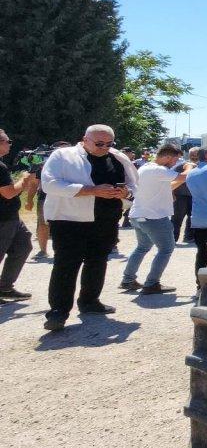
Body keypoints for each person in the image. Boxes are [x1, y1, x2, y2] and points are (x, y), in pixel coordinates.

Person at [39, 125, 138, 332]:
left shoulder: (118, 158)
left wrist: (125, 193)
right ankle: (58, 311)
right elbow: (50, 184)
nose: (104, 147)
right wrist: (91, 191)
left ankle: (90, 301)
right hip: (69, 221)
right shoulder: (62, 156)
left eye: (109, 144)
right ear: (85, 139)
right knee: (66, 265)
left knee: (98, 261)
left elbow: (133, 186)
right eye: (99, 143)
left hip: (106, 220)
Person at [120, 144, 188, 295]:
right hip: (154, 217)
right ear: (168, 157)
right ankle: (152, 283)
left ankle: (128, 279)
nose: (175, 163)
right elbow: (184, 177)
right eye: (175, 160)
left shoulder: (146, 168)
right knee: (166, 249)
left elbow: (169, 186)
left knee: (142, 248)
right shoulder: (159, 170)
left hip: (138, 215)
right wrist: (188, 167)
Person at [0, 129, 38, 301]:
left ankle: (5, 287)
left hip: (11, 216)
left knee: (23, 245)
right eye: (7, 141)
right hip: (4, 218)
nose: (9, 144)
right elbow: (8, 193)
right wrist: (24, 180)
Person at [171, 146, 199, 242]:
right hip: (180, 196)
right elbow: (170, 180)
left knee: (193, 218)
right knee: (177, 218)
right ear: (189, 155)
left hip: (194, 196)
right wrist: (172, 194)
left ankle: (188, 237)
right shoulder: (181, 166)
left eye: (196, 155)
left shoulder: (202, 166)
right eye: (192, 155)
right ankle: (172, 238)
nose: (194, 157)